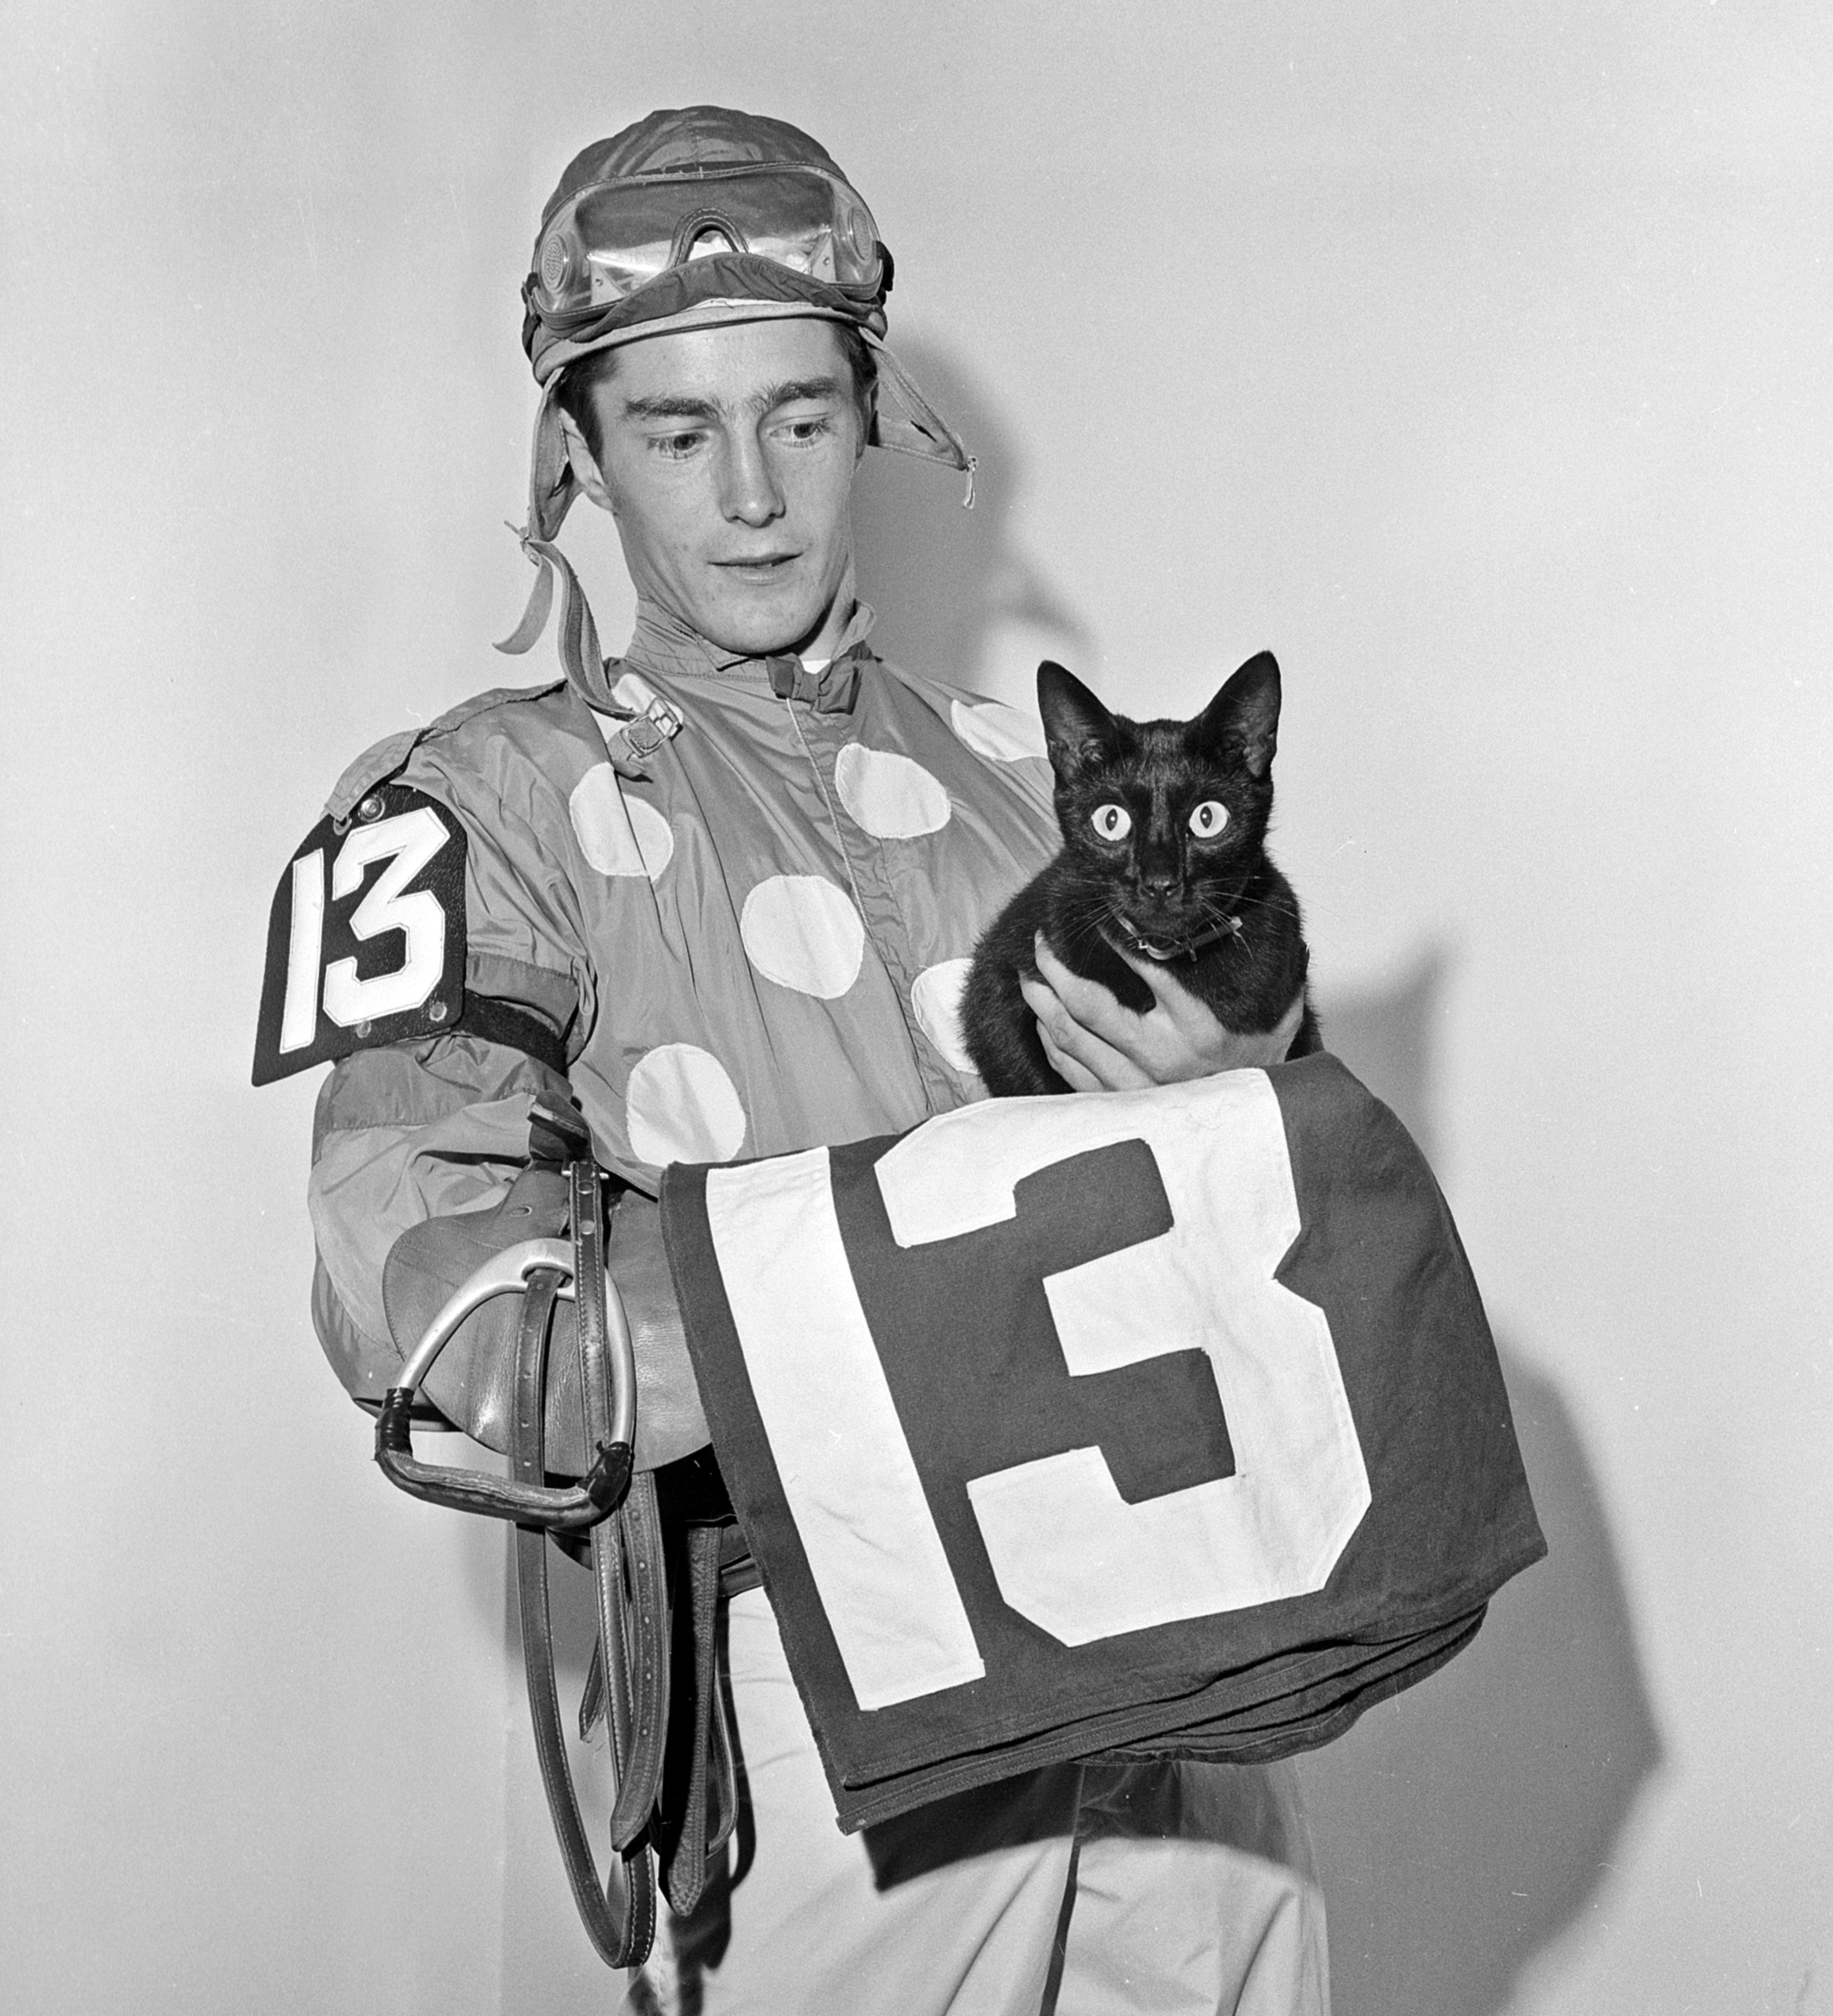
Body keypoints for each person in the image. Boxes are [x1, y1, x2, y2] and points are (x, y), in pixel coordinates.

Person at [290, 105, 1327, 2014]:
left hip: (1187, 1663)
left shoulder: (1046, 780)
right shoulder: (470, 809)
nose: (754, 491)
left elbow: (1281, 1244)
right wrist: (931, 1298)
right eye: (677, 433)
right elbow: (446, 1323)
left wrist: (1255, 1097)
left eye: (800, 415)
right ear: (578, 458)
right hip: (827, 1690)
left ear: (874, 417)